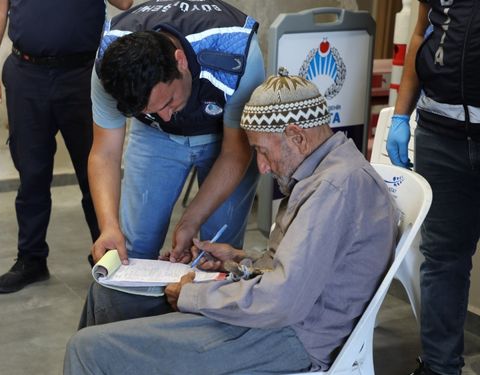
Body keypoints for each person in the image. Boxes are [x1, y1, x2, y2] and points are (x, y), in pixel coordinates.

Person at [64, 70, 399, 373]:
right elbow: (304, 271)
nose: (263, 168)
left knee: (88, 349)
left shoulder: (334, 188)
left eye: (263, 152)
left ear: (297, 136)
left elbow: (283, 301)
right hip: (276, 320)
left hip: (289, 337)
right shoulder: (327, 174)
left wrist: (193, 297)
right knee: (106, 295)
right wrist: (241, 260)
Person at [88, 0, 265, 266]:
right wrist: (109, 226)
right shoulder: (109, 68)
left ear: (180, 61)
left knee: (217, 250)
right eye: (149, 109)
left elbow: (235, 152)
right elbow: (105, 153)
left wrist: (189, 221)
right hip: (154, 137)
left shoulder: (237, 52)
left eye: (169, 102)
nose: (168, 116)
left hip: (224, 137)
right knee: (134, 247)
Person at [0, 0, 132, 294]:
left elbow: (125, 3)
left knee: (95, 174)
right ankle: (31, 259)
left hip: (83, 74)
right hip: (26, 73)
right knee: (32, 174)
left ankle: (107, 255)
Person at [386, 1, 480, 374]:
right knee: (442, 259)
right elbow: (420, 31)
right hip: (440, 134)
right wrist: (400, 114)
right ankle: (440, 368)